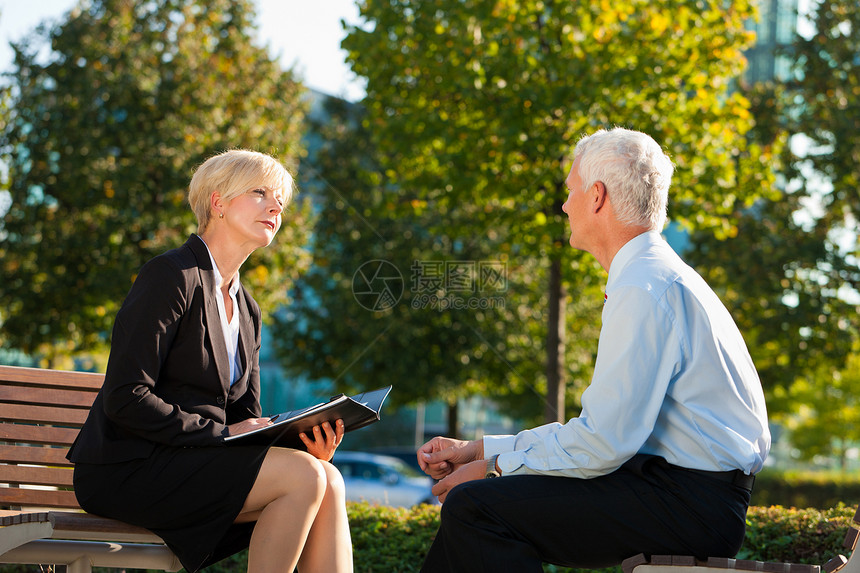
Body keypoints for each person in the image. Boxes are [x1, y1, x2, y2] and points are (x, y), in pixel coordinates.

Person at [417, 128, 771, 572]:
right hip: (685, 495)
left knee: (476, 506)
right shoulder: (656, 277)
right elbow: (600, 432)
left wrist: (494, 467)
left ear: (597, 197)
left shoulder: (644, 287)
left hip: (686, 506)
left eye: (570, 191)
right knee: (472, 506)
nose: (565, 206)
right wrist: (480, 449)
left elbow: (603, 442)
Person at [67, 149, 353, 573]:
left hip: (198, 462)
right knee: (305, 478)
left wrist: (301, 443)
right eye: (260, 193)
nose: (276, 207)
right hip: (131, 467)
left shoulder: (247, 307)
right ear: (217, 202)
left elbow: (246, 419)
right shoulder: (170, 276)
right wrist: (220, 435)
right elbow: (125, 397)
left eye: (279, 200)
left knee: (326, 478)